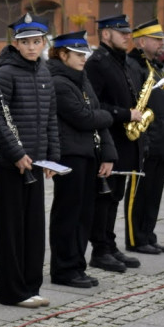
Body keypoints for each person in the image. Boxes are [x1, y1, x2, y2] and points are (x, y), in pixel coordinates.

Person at [0, 13, 59, 308]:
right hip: (11, 165)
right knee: (10, 230)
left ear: (44, 43)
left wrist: (52, 156)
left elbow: (51, 118)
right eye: (25, 42)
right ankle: (11, 291)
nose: (31, 47)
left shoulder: (44, 73)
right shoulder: (5, 74)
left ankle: (31, 285)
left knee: (33, 229)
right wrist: (16, 154)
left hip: (36, 164)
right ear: (16, 44)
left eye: (36, 42)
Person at [47, 31, 115, 289]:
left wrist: (108, 154)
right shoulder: (58, 82)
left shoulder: (81, 78)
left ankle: (77, 265)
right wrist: (107, 116)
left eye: (84, 53)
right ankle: (64, 268)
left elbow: (95, 115)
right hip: (70, 155)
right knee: (68, 214)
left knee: (85, 214)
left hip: (89, 153)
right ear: (62, 54)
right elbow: (84, 118)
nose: (83, 58)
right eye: (77, 54)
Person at [85, 14, 143, 274]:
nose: (127, 36)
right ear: (106, 34)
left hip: (125, 140)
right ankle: (100, 250)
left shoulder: (123, 61)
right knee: (104, 197)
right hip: (107, 139)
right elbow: (94, 104)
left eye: (128, 32)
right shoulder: (97, 63)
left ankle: (109, 243)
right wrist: (125, 114)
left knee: (116, 196)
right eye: (122, 32)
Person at [125, 20, 164, 255]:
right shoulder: (134, 66)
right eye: (157, 39)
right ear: (142, 42)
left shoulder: (154, 66)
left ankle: (148, 234)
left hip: (161, 139)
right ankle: (136, 238)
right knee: (139, 194)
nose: (161, 43)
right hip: (146, 139)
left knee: (154, 193)